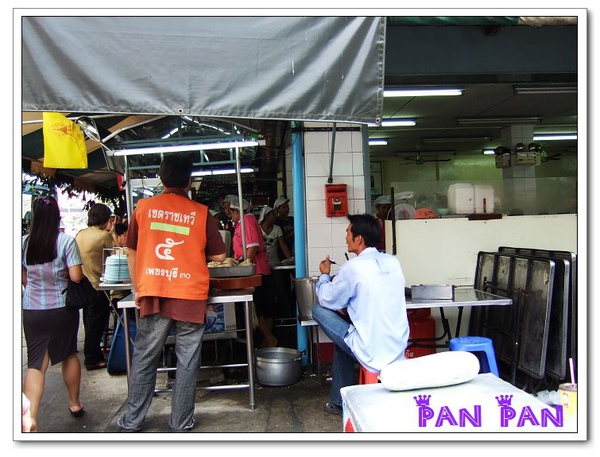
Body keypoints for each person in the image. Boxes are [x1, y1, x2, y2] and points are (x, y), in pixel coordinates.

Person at [117, 153, 226, 433]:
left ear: (162, 178)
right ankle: (181, 422)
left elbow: (131, 251)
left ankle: (132, 421)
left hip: (153, 291)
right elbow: (220, 255)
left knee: (145, 358)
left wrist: (137, 288)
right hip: (190, 294)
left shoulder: (143, 209)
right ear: (189, 182)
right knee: (187, 361)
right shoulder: (201, 213)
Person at [311, 213, 409, 417]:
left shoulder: (353, 267)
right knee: (343, 339)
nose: (345, 237)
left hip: (369, 347)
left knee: (318, 310)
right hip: (398, 345)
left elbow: (327, 298)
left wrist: (324, 275)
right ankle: (338, 401)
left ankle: (340, 401)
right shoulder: (393, 262)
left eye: (347, 232)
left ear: (359, 239)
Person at [22, 196, 85, 432]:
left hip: (32, 310)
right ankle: (75, 404)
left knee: (36, 364)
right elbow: (76, 277)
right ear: (57, 216)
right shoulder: (66, 242)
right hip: (61, 309)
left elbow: (24, 278)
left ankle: (30, 416)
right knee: (68, 355)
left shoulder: (24, 243)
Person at [229, 196, 278, 348]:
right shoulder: (244, 222)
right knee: (264, 307)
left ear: (237, 211)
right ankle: (267, 341)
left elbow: (253, 246)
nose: (231, 216)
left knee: (259, 308)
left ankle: (269, 338)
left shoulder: (247, 221)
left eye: (231, 213)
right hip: (259, 269)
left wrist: (245, 265)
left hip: (256, 271)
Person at [75, 203, 116, 371]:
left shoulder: (80, 234)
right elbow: (115, 255)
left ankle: (93, 354)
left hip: (83, 285)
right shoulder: (103, 236)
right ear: (105, 219)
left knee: (89, 322)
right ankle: (92, 358)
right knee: (97, 324)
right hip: (98, 284)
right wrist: (112, 231)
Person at [259, 206, 294, 317]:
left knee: (280, 290)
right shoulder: (257, 228)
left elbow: (282, 245)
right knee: (265, 293)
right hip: (262, 265)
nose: (275, 216)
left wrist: (290, 259)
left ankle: (286, 316)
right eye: (273, 214)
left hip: (275, 263)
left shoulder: (277, 228)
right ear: (266, 216)